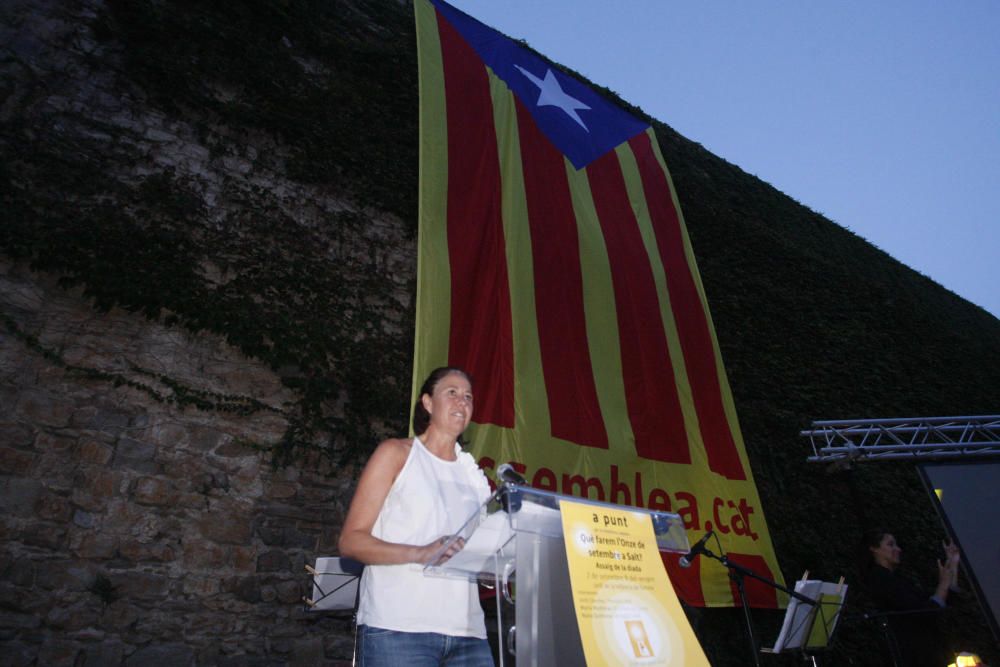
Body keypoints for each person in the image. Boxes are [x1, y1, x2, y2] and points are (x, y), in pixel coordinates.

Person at [339, 366, 494, 667]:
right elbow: (350, 541)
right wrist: (420, 552)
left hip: (469, 634)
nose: (462, 402)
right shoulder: (397, 454)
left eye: (468, 397)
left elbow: (479, 556)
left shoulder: (473, 475)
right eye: (451, 393)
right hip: (399, 629)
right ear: (427, 403)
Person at [859, 529, 960, 667]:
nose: (898, 549)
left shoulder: (897, 579)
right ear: (874, 549)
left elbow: (940, 603)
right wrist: (943, 584)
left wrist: (953, 565)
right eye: (891, 544)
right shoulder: (880, 580)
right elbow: (925, 611)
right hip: (916, 658)